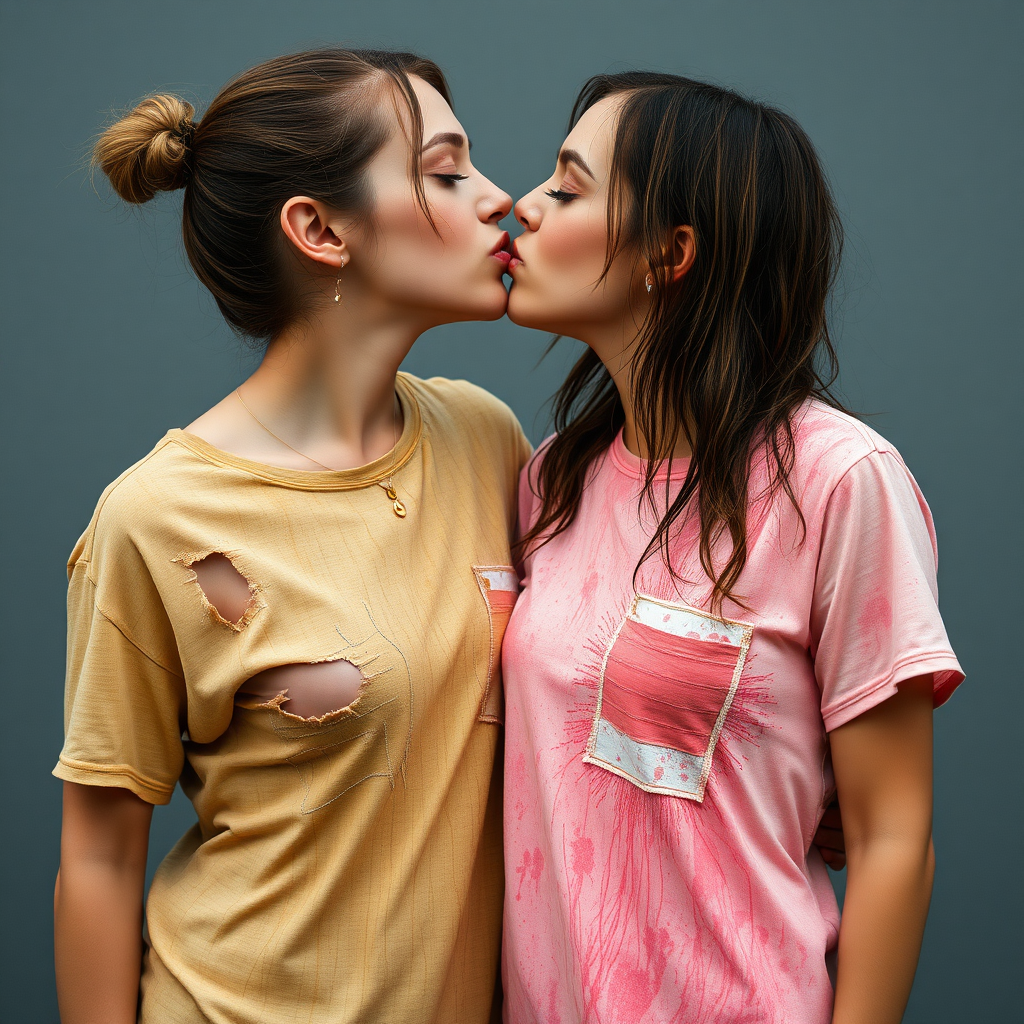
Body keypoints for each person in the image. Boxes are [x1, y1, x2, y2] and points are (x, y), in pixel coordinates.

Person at [53, 49, 529, 1024]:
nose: (499, 198)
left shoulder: (488, 440)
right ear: (319, 229)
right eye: (445, 171)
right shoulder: (156, 518)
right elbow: (98, 857)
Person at [500, 72, 963, 1024]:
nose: (523, 206)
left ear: (671, 254)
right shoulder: (549, 481)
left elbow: (891, 835)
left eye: (568, 186)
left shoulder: (841, 481)